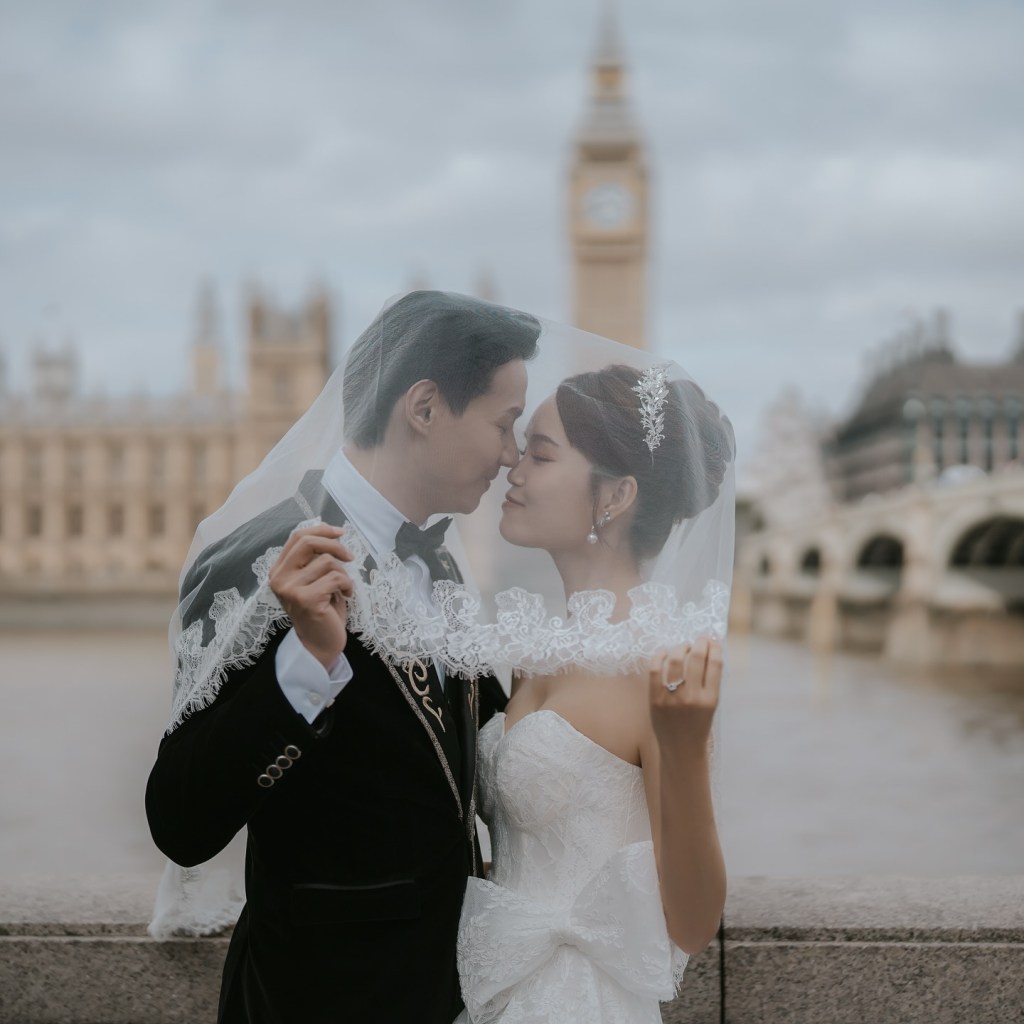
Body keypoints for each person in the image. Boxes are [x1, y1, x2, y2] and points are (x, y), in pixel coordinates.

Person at [145, 290, 541, 1024]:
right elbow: (181, 819)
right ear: (422, 408)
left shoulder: (440, 565)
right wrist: (305, 666)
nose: (512, 452)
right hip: (317, 1000)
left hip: (452, 994)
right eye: (504, 422)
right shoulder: (257, 561)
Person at [446, 363, 736, 1023]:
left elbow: (692, 925)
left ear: (616, 495)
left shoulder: (658, 663)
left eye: (541, 454)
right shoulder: (538, 652)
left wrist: (686, 748)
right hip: (500, 989)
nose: (513, 466)